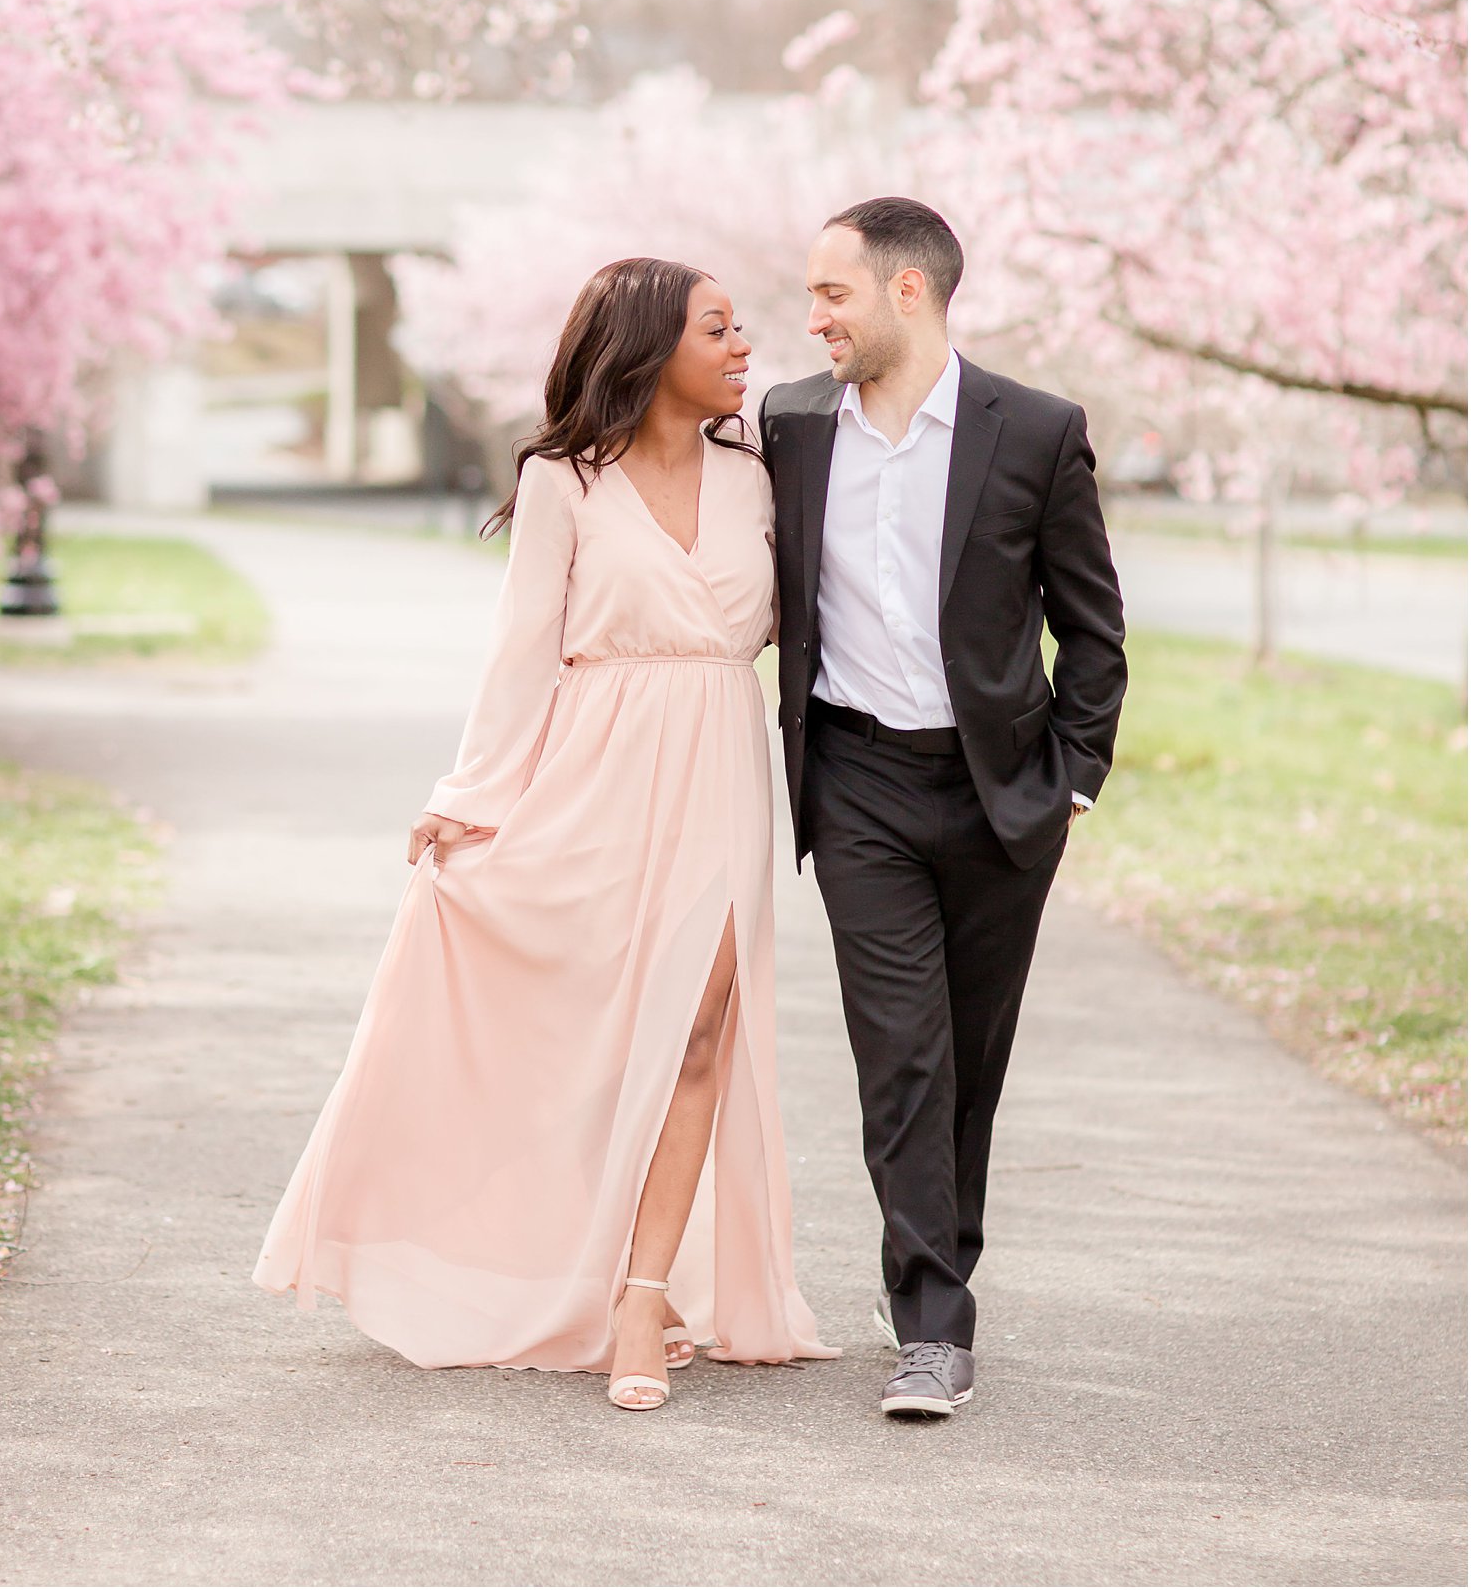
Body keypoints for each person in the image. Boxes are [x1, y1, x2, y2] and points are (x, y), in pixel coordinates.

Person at [254, 258, 835, 1409]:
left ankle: (640, 1294)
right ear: (644, 348)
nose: (741, 348)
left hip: (717, 764)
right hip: (591, 776)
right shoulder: (565, 481)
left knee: (700, 1031)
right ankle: (530, 1257)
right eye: (716, 330)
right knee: (589, 1035)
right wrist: (469, 797)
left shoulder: (760, 474)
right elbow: (521, 653)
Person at [760, 197, 1127, 1422]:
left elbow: (1090, 627)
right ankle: (931, 1324)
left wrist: (1071, 775)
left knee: (969, 1058)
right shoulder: (792, 426)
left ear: (906, 293)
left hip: (994, 796)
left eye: (831, 295)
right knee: (901, 1056)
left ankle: (936, 1263)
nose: (811, 319)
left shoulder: (1031, 430)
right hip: (855, 781)